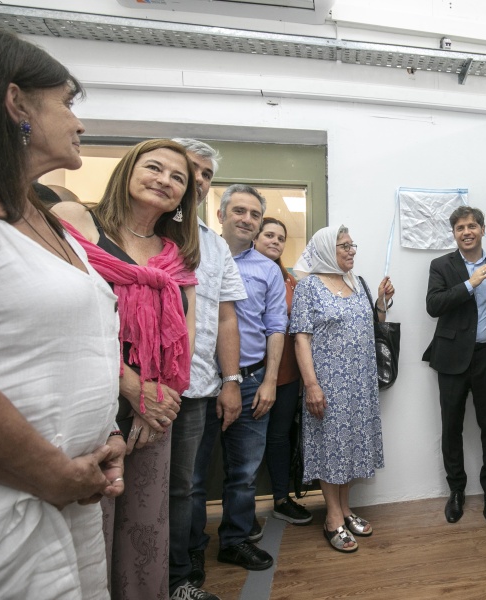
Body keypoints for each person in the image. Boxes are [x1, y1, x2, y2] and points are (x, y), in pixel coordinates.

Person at [0, 24, 125, 600]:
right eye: (67, 103)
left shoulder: (49, 222)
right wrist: (49, 472)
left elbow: (72, 343)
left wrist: (106, 432)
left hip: (73, 491)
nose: (79, 121)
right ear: (17, 103)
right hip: (7, 501)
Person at [53, 138, 200, 600]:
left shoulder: (176, 255)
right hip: (88, 399)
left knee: (145, 528)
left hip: (155, 410)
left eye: (178, 178)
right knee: (90, 526)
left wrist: (154, 401)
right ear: (127, 170)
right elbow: (61, 319)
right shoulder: (76, 222)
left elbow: (186, 338)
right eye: (154, 168)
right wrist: (130, 386)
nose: (165, 180)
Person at [189, 185, 285, 575]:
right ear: (220, 214)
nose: (247, 219)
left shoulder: (267, 270)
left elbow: (276, 327)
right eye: (239, 211)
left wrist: (269, 382)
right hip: (199, 384)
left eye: (254, 214)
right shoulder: (194, 257)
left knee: (244, 474)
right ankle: (190, 548)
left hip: (250, 383)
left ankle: (235, 540)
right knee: (192, 477)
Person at [171, 138, 245, 600]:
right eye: (190, 169)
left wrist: (231, 380)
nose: (198, 180)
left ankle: (179, 577)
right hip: (139, 386)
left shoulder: (214, 246)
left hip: (197, 387)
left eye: (206, 175)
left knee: (185, 489)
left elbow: (225, 316)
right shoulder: (135, 230)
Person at [290, 225, 393, 552]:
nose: (351, 250)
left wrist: (380, 302)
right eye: (343, 246)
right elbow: (301, 339)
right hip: (327, 385)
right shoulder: (309, 287)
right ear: (324, 250)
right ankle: (332, 516)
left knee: (350, 447)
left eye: (352, 245)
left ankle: (346, 508)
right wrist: (311, 385)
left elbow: (369, 326)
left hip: (360, 386)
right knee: (329, 448)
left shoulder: (357, 283)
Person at [424, 206, 486, 524]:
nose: (467, 231)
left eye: (472, 226)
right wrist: (470, 283)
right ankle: (456, 491)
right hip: (452, 358)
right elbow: (433, 305)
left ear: (483, 229)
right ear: (454, 233)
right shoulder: (441, 265)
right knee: (451, 427)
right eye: (460, 227)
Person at [254, 217, 313, 526]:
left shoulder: (291, 279)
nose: (275, 241)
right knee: (246, 444)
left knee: (279, 438)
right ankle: (241, 512)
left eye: (281, 237)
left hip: (288, 376)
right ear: (255, 236)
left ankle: (280, 498)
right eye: (269, 235)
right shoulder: (240, 272)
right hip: (252, 374)